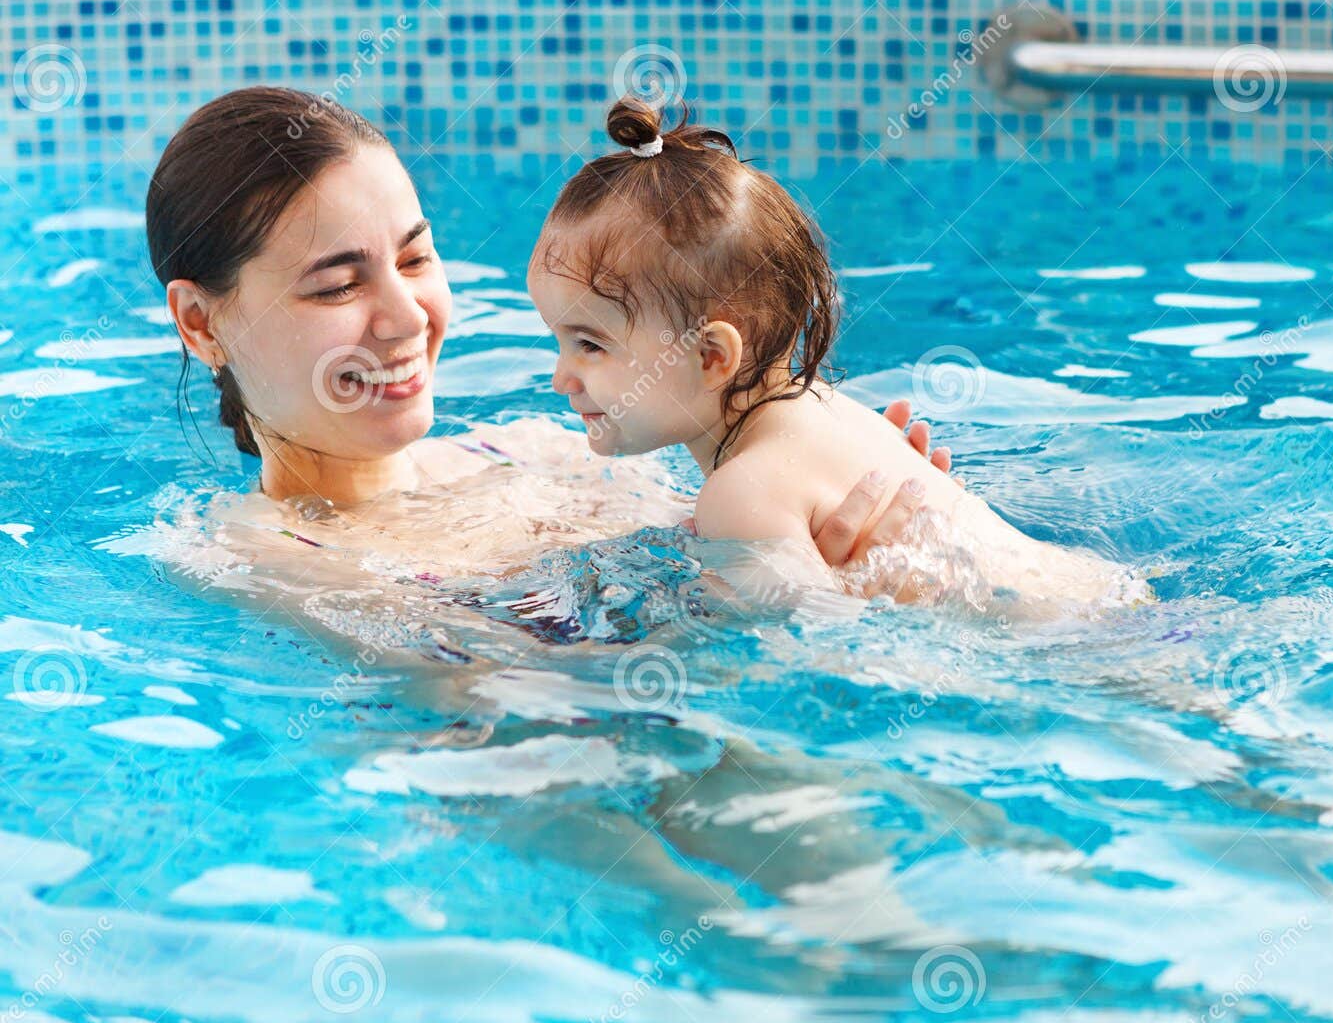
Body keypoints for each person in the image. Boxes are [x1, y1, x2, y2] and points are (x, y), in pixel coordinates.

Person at [142, 87, 959, 637]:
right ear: (200, 322)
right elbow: (526, 711)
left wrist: (863, 514)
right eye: (338, 285)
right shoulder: (262, 560)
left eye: (417, 259)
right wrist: (853, 598)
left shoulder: (549, 449)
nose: (406, 317)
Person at [527, 97, 1150, 610]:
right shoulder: (823, 412)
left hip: (1076, 654)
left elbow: (810, 664)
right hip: (1110, 601)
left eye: (589, 345)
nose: (562, 378)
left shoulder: (742, 493)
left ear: (711, 355)